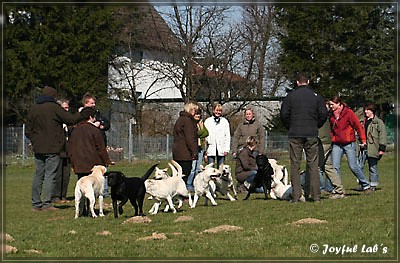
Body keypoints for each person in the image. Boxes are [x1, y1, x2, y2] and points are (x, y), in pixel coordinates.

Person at [26, 86, 81, 212]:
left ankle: (35, 203)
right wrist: (82, 113)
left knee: (38, 175)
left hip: (38, 147)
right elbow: (70, 119)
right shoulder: (54, 108)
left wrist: (34, 140)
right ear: (53, 96)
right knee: (51, 175)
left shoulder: (33, 108)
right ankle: (47, 203)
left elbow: (28, 130)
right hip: (53, 147)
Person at [280, 73, 328, 203]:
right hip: (311, 133)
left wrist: (290, 126)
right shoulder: (316, 97)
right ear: (308, 82)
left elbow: (284, 114)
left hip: (295, 133)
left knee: (295, 165)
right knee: (313, 164)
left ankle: (296, 196)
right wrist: (316, 125)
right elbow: (324, 114)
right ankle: (316, 196)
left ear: (297, 82)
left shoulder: (290, 97)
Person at [68, 107, 112, 216]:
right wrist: (107, 161)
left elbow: (70, 149)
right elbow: (100, 148)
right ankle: (89, 210)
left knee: (82, 187)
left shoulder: (75, 131)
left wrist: (72, 163)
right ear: (91, 117)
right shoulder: (95, 130)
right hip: (93, 164)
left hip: (79, 164)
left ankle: (82, 210)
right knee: (91, 188)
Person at [328, 95, 372, 193]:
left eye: (332, 104)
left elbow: (358, 127)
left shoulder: (348, 113)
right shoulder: (331, 115)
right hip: (337, 144)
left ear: (338, 104)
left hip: (349, 143)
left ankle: (365, 185)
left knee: (353, 166)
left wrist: (363, 140)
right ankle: (337, 188)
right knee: (335, 167)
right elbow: (331, 129)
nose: (330, 107)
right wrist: (332, 139)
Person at [80, 92, 111, 197]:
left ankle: (103, 189)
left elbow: (107, 123)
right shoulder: (81, 114)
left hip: (100, 141)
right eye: (91, 103)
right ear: (85, 103)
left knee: (102, 167)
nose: (93, 105)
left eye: (94, 103)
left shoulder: (98, 114)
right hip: (87, 146)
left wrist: (101, 125)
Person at [318, 100, 345, 199]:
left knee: (315, 166)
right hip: (327, 141)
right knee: (328, 166)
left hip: (322, 142)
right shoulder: (325, 114)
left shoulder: (318, 114)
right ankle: (339, 189)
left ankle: (314, 190)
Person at [359, 102, 387, 191]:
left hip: (373, 147)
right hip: (363, 148)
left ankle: (373, 185)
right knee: (359, 167)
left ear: (372, 111)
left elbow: (383, 135)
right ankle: (362, 184)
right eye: (365, 110)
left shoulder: (378, 122)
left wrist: (382, 148)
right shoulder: (363, 121)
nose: (365, 111)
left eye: (367, 110)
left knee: (373, 167)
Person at [51, 99, 72, 203]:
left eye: (67, 108)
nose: (66, 110)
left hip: (68, 151)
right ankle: (55, 196)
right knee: (57, 175)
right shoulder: (55, 122)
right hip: (58, 151)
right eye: (64, 108)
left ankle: (63, 196)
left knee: (66, 175)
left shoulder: (69, 122)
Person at [172, 102, 199, 182]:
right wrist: (194, 152)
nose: (195, 112)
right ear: (190, 110)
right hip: (185, 153)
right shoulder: (187, 121)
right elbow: (190, 138)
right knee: (185, 173)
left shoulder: (180, 119)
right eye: (195, 110)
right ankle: (181, 191)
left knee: (177, 174)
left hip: (177, 152)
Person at [186, 108, 209, 192]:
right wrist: (201, 131)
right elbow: (196, 134)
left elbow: (206, 133)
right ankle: (189, 184)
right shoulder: (191, 124)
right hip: (194, 148)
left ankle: (196, 184)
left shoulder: (201, 124)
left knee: (198, 168)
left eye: (199, 114)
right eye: (196, 114)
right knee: (192, 168)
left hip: (200, 148)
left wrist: (202, 128)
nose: (197, 116)